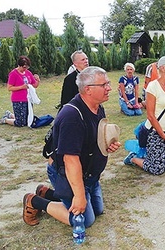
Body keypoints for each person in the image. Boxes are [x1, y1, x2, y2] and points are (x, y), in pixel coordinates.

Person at [22, 66, 121, 228]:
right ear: (88, 89)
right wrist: (80, 195)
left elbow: (94, 137)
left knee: (98, 210)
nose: (109, 88)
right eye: (104, 85)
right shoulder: (72, 116)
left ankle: (47, 193)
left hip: (88, 174)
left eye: (108, 83)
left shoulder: (97, 107)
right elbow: (70, 160)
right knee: (85, 220)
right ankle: (34, 201)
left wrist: (107, 145)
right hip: (67, 173)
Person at [123, 55, 165, 175]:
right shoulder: (153, 86)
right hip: (155, 132)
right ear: (163, 68)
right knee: (157, 169)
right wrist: (164, 137)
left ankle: (147, 154)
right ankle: (133, 158)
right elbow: (150, 115)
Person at [0, 56, 40, 126]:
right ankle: (5, 120)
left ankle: (11, 115)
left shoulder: (28, 73)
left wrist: (38, 80)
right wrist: (22, 87)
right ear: (19, 65)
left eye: (27, 67)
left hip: (28, 99)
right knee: (20, 123)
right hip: (18, 99)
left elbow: (34, 85)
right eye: (24, 67)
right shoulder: (13, 74)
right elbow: (9, 88)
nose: (25, 69)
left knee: (27, 119)